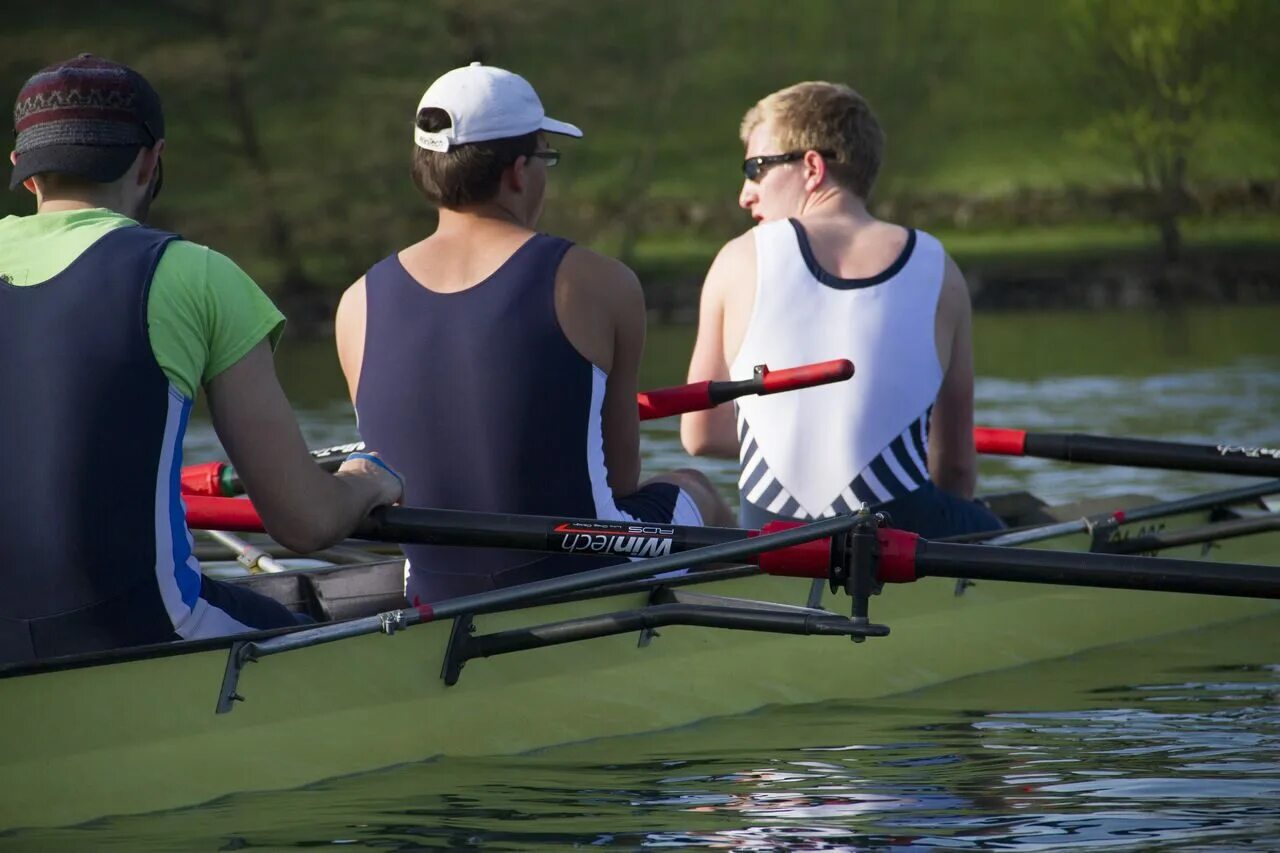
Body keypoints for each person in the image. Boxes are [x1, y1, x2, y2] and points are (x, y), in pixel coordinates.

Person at [0, 55, 403, 665]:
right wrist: (367, 480)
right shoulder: (195, 274)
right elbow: (303, 524)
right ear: (150, 160)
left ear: (25, 173)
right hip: (140, 632)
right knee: (334, 647)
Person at [336, 62, 732, 604]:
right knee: (696, 489)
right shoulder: (598, 282)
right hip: (585, 577)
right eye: (546, 157)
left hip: (435, 591)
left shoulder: (356, 302)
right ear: (519, 170)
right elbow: (621, 477)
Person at [681, 81, 1003, 539]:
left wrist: (803, 438)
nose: (745, 194)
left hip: (776, 543)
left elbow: (700, 433)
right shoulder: (939, 268)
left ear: (812, 167)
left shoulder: (737, 258)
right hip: (903, 539)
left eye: (756, 169)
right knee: (993, 524)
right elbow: (954, 467)